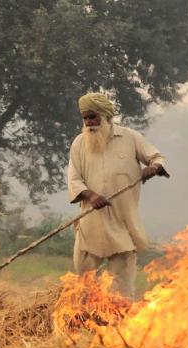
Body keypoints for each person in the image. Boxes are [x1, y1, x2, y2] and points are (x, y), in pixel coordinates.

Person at [67, 92, 169, 299]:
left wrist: (154, 167)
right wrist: (91, 195)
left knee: (121, 292)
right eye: (85, 118)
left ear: (105, 116)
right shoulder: (79, 143)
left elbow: (157, 157)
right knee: (83, 288)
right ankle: (82, 323)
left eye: (93, 117)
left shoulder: (130, 137)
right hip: (91, 223)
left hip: (123, 223)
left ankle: (120, 323)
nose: (89, 123)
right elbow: (74, 179)